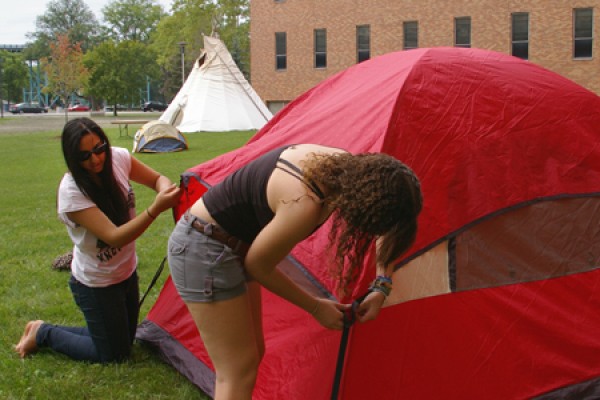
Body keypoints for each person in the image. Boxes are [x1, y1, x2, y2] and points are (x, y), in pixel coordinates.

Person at [167, 143, 422, 399]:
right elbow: (258, 265)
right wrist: (315, 307)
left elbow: (390, 230)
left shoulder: (349, 171)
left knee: (252, 354)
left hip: (229, 244)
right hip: (203, 248)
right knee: (237, 370)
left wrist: (381, 285)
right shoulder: (304, 203)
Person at [14, 117, 181, 363]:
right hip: (96, 284)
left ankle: (49, 330)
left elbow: (157, 179)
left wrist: (165, 189)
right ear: (73, 158)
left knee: (124, 341)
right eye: (84, 156)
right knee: (114, 355)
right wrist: (155, 209)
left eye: (99, 148)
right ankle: (44, 333)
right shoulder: (71, 192)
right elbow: (114, 238)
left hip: (126, 274)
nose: (95, 159)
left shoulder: (119, 159)